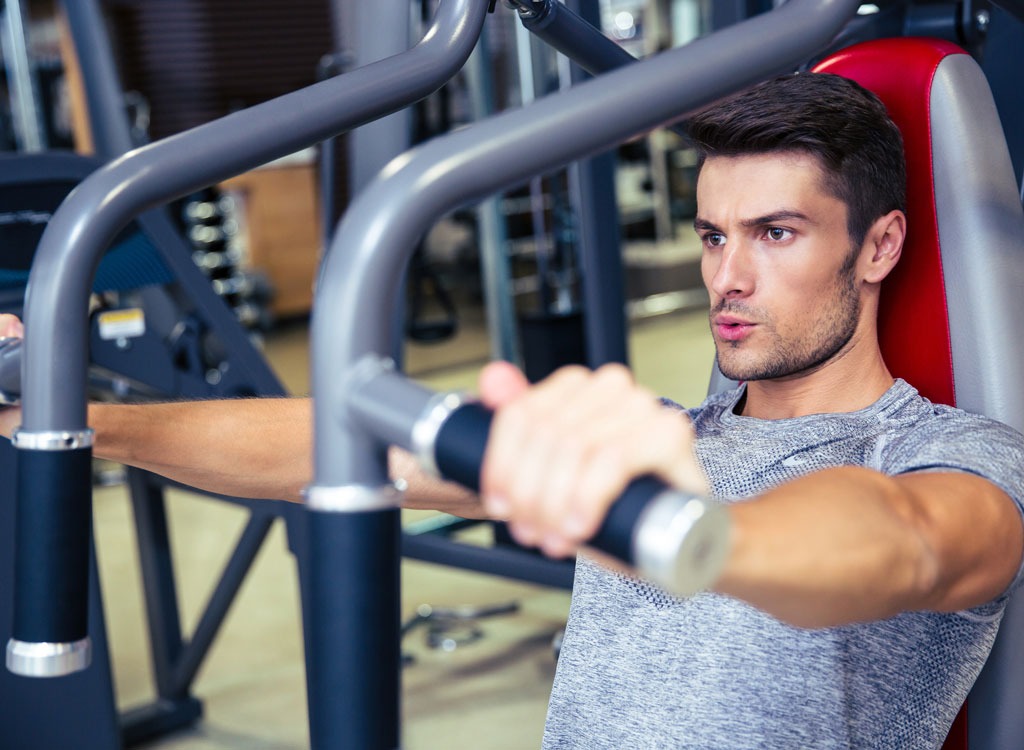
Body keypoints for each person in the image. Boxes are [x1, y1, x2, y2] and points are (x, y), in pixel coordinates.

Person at [2, 70, 1023, 748]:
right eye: (713, 237)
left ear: (878, 247)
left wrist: (690, 531)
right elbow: (335, 446)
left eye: (776, 233)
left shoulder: (946, 453)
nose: (730, 277)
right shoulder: (661, 436)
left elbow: (905, 544)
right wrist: (80, 419)